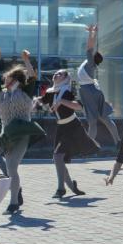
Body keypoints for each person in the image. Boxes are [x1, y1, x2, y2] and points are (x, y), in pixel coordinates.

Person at [36, 69, 99, 199]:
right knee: (58, 159)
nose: (56, 75)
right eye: (55, 73)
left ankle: (61, 188)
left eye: (60, 74)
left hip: (72, 127)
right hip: (61, 127)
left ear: (66, 78)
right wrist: (30, 103)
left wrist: (62, 102)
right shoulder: (51, 92)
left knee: (58, 156)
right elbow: (40, 104)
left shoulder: (67, 91)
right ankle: (71, 186)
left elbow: (79, 106)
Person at [0, 50, 46, 214]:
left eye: (7, 78)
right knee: (10, 169)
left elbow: (32, 76)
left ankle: (13, 203)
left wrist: (26, 60)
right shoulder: (1, 94)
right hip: (7, 135)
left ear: (14, 80)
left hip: (22, 133)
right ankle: (17, 192)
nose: (4, 81)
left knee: (11, 167)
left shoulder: (25, 91)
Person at [78, 25, 120, 146]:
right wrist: (92, 33)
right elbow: (90, 47)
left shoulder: (90, 63)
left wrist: (92, 33)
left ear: (94, 57)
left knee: (92, 122)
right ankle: (118, 141)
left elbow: (89, 47)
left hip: (89, 91)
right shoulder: (90, 63)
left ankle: (88, 145)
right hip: (91, 90)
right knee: (104, 119)